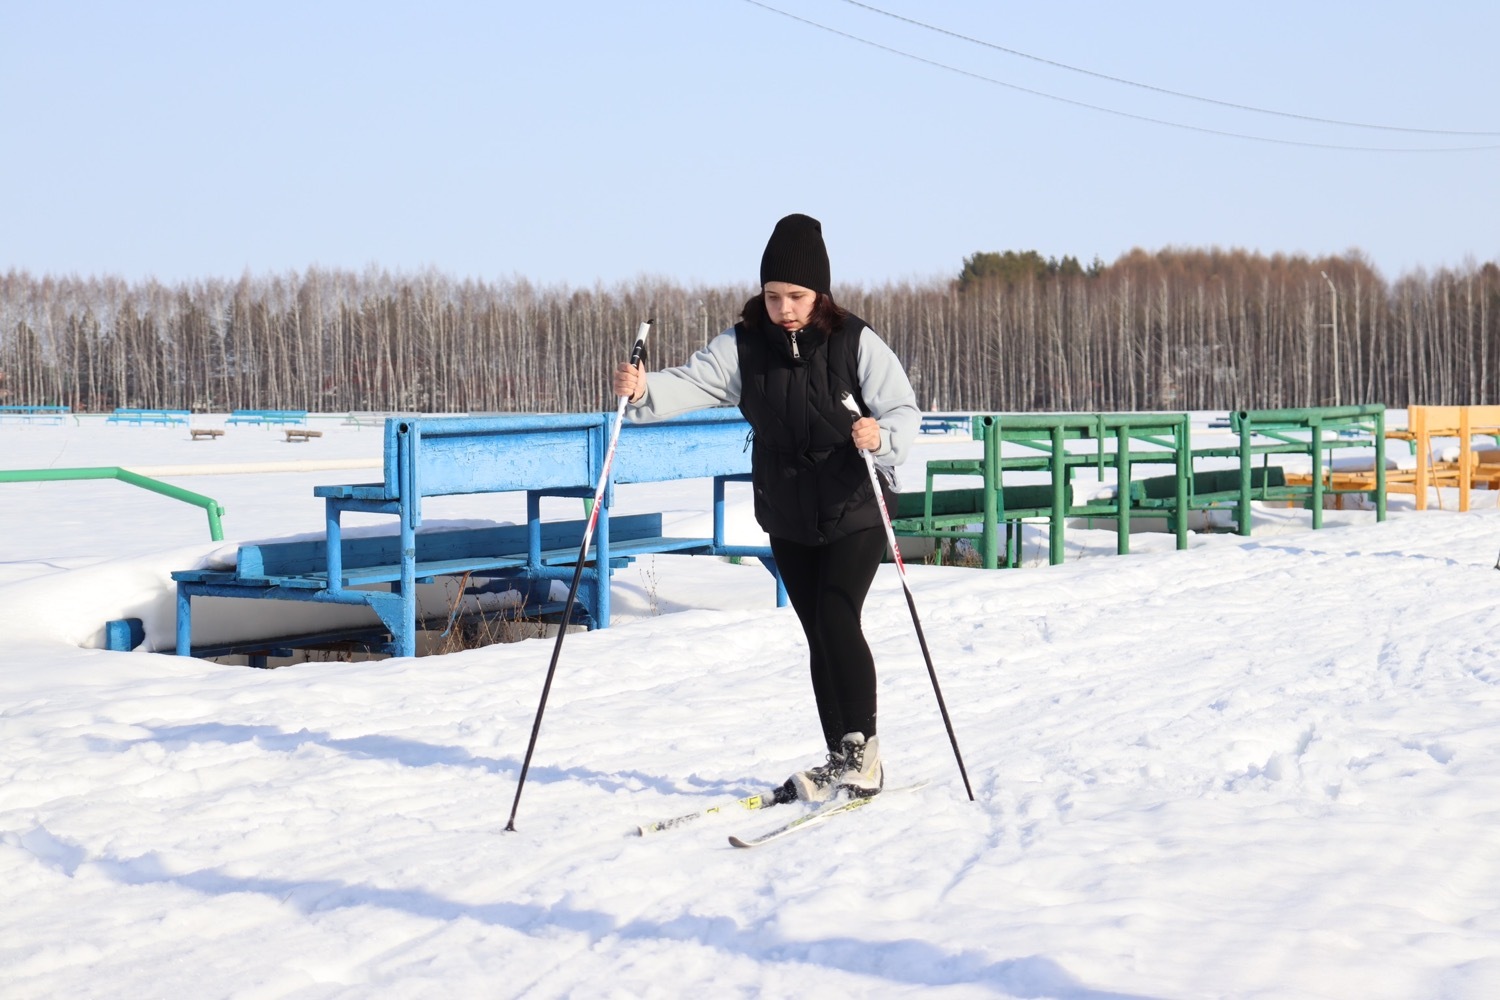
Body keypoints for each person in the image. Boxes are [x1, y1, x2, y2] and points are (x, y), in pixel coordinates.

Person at [612, 213, 920, 802]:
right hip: (787, 509)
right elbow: (694, 383)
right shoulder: (744, 345)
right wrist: (645, 390)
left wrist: (879, 436)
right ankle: (840, 754)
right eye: (773, 296)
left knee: (837, 617)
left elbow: (903, 412)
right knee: (818, 633)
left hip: (855, 502)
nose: (784, 308)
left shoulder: (855, 341)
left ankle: (865, 755)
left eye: (796, 296)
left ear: (819, 292)